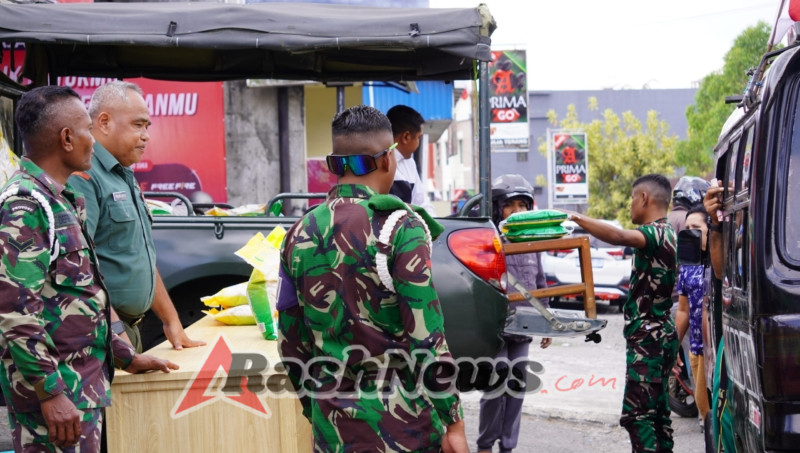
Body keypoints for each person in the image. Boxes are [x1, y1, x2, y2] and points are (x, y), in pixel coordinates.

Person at [277, 105, 467, 452]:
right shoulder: (400, 227)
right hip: (404, 431)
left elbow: (292, 343)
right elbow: (426, 339)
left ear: (335, 162)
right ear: (386, 160)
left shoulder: (298, 233)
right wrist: (453, 420)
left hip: (332, 430)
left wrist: (317, 411)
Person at [0, 85, 178, 452]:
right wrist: (51, 395)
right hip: (56, 402)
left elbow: (82, 295)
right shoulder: (24, 205)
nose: (93, 142)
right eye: (86, 130)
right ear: (67, 138)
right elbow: (16, 313)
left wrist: (127, 356)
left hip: (82, 388)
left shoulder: (60, 199)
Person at [67, 81, 205, 353]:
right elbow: (80, 267)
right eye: (138, 125)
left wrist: (171, 320)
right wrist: (116, 331)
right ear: (104, 122)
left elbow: (140, 257)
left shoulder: (123, 175)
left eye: (147, 127)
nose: (146, 136)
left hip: (127, 331)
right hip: (101, 333)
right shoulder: (85, 176)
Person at [562, 174, 678, 453]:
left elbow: (617, 236)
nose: (629, 205)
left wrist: (576, 218)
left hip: (648, 341)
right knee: (658, 416)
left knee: (637, 417)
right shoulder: (669, 233)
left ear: (644, 199)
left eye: (631, 198)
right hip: (661, 336)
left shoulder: (655, 232)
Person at [477, 174, 550, 453]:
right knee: (496, 384)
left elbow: (541, 285)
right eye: (511, 206)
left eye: (523, 205)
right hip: (494, 330)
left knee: (518, 386)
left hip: (524, 329)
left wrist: (546, 321)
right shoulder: (489, 243)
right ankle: (485, 445)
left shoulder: (533, 243)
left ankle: (508, 446)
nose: (517, 212)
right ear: (498, 208)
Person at [674, 205, 711, 428]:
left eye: (696, 228)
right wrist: (672, 347)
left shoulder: (724, 264)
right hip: (696, 351)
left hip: (719, 354)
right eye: (686, 229)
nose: (690, 233)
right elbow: (683, 311)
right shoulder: (688, 266)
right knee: (706, 416)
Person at [385, 105, 436, 216]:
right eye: (418, 138)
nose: (418, 143)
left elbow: (422, 202)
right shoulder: (378, 160)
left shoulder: (409, 163)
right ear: (406, 137)